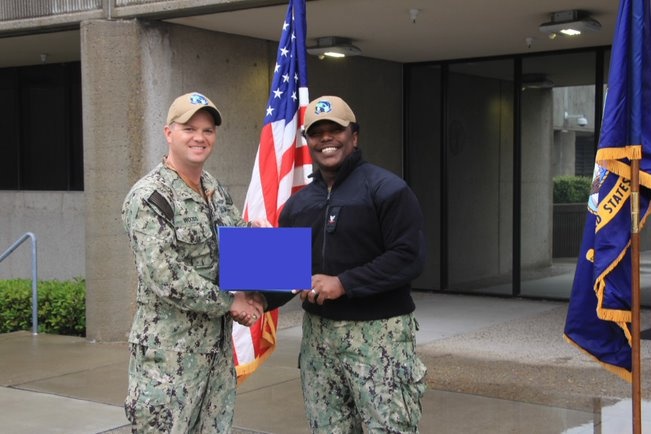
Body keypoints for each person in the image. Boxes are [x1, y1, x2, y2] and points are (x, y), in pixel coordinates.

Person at [265, 95, 428, 433]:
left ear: (354, 136)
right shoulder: (297, 206)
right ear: (308, 141)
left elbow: (408, 256)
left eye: (335, 130)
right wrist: (253, 298)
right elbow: (285, 274)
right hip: (319, 342)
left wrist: (343, 283)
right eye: (316, 132)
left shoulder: (387, 190)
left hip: (379, 338)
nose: (326, 139)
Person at [121, 91, 268, 433]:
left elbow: (234, 236)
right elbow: (165, 275)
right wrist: (231, 302)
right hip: (169, 358)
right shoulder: (150, 197)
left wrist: (259, 241)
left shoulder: (212, 187)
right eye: (189, 128)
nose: (199, 137)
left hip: (215, 353)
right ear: (168, 132)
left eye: (208, 130)